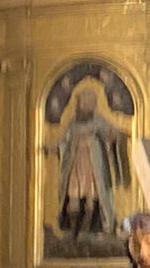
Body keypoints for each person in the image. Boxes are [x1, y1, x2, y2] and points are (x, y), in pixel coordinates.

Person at [50, 86, 131, 244]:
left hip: (94, 168)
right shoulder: (73, 123)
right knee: (73, 198)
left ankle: (87, 230)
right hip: (75, 166)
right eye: (82, 103)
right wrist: (53, 147)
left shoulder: (98, 121)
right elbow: (64, 141)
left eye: (89, 104)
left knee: (91, 199)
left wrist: (115, 137)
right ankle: (73, 230)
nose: (85, 106)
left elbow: (111, 133)